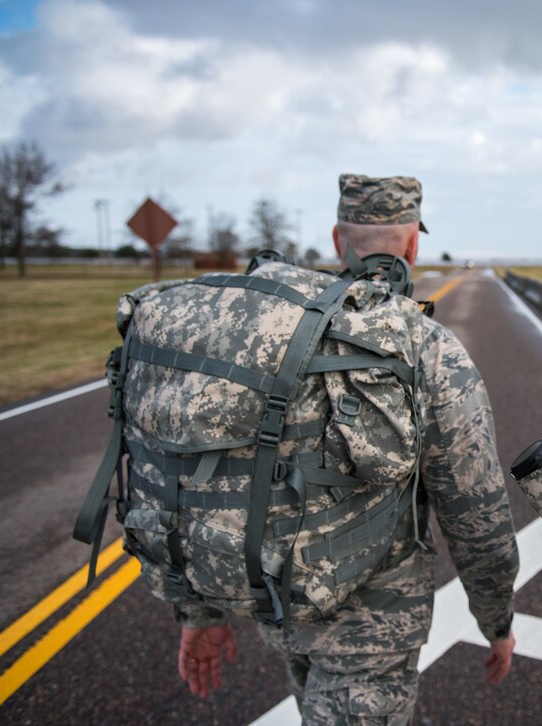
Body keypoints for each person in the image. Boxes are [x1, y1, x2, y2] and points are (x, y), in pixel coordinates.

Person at [175, 174, 520, 724]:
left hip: (279, 605)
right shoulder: (425, 346)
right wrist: (495, 617)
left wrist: (200, 610)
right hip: (376, 631)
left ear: (338, 241)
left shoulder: (268, 336)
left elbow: (204, 474)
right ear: (412, 245)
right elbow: (476, 511)